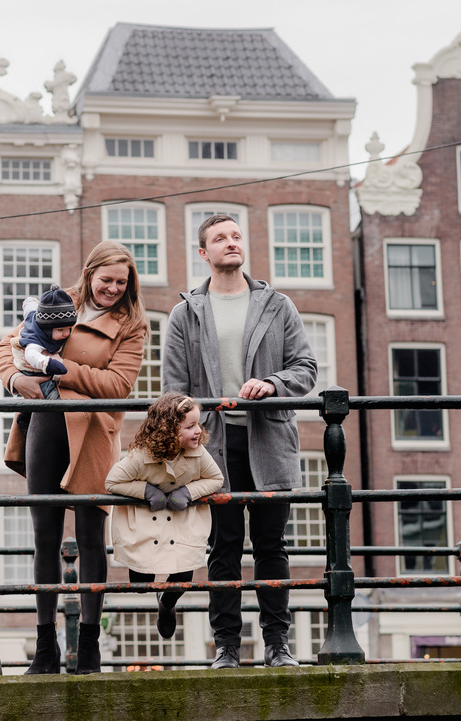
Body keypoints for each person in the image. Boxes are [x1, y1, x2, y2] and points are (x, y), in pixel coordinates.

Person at [163, 214, 317, 669]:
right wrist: (187, 433)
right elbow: (173, 391)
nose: (231, 243)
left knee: (272, 547)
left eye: (235, 236)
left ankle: (277, 645)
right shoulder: (185, 313)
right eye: (219, 239)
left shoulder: (277, 305)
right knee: (224, 548)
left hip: (269, 440)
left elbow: (305, 369)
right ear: (203, 252)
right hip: (212, 449)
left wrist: (271, 383)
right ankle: (226, 647)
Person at [0, 241, 149, 675]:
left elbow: (118, 386)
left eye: (121, 282)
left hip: (94, 437)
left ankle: (88, 650)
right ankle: (45, 650)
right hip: (46, 427)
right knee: (44, 536)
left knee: (90, 539)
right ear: (89, 273)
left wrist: (56, 369)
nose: (113, 289)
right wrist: (15, 381)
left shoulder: (132, 325)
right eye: (106, 280)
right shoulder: (58, 304)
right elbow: (8, 346)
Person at [105, 393, 223, 640]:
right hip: (147, 525)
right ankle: (152, 590)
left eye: (198, 424)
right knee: (140, 584)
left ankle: (167, 603)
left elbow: (216, 479)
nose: (198, 430)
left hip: (181, 524)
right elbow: (112, 481)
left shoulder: (198, 453)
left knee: (183, 577)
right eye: (190, 426)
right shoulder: (141, 456)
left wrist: (188, 491)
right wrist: (146, 491)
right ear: (168, 431)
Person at [9, 286, 77, 435]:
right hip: (33, 370)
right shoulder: (35, 340)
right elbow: (32, 356)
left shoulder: (36, 315)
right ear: (46, 329)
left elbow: (30, 306)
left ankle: (25, 413)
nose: (66, 333)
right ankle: (25, 416)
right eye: (60, 330)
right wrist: (49, 363)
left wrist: (30, 300)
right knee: (49, 392)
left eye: (69, 328)